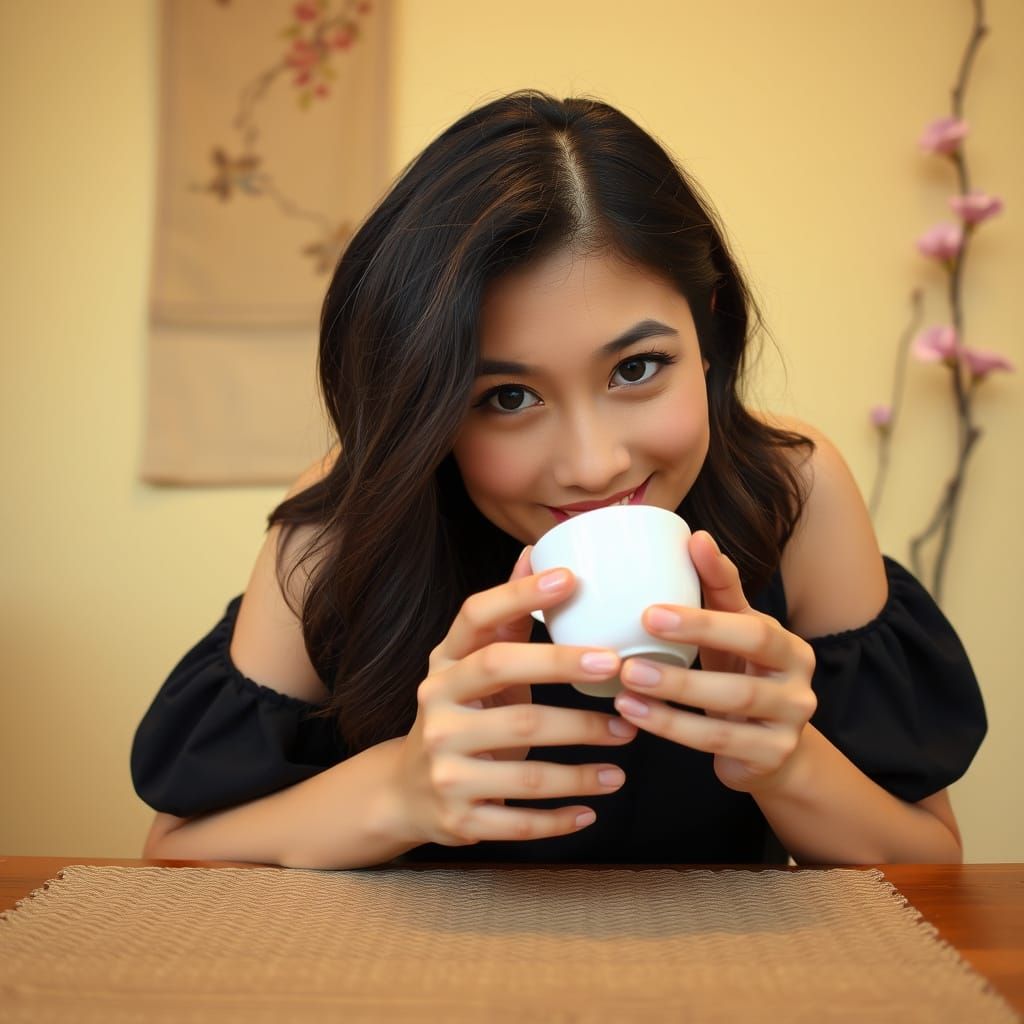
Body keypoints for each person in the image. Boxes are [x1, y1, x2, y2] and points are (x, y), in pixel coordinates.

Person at [132, 90, 986, 869]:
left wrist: (791, 765)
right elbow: (176, 855)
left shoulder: (791, 491)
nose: (593, 464)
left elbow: (929, 861)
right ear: (427, 404)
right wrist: (400, 792)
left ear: (712, 327)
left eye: (637, 368)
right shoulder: (345, 518)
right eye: (507, 396)